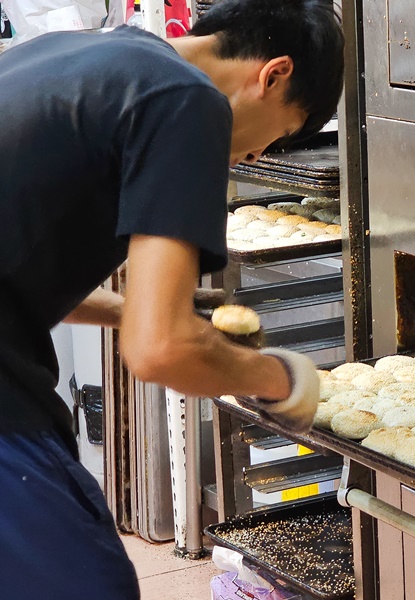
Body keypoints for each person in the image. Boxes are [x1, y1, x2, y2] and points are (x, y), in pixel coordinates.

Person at [0, 0, 344, 597]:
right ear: (274, 73)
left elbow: (21, 260)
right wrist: (280, 378)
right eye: (283, 132)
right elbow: (159, 351)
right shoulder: (187, 101)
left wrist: (140, 311)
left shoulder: (93, 53)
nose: (260, 155)